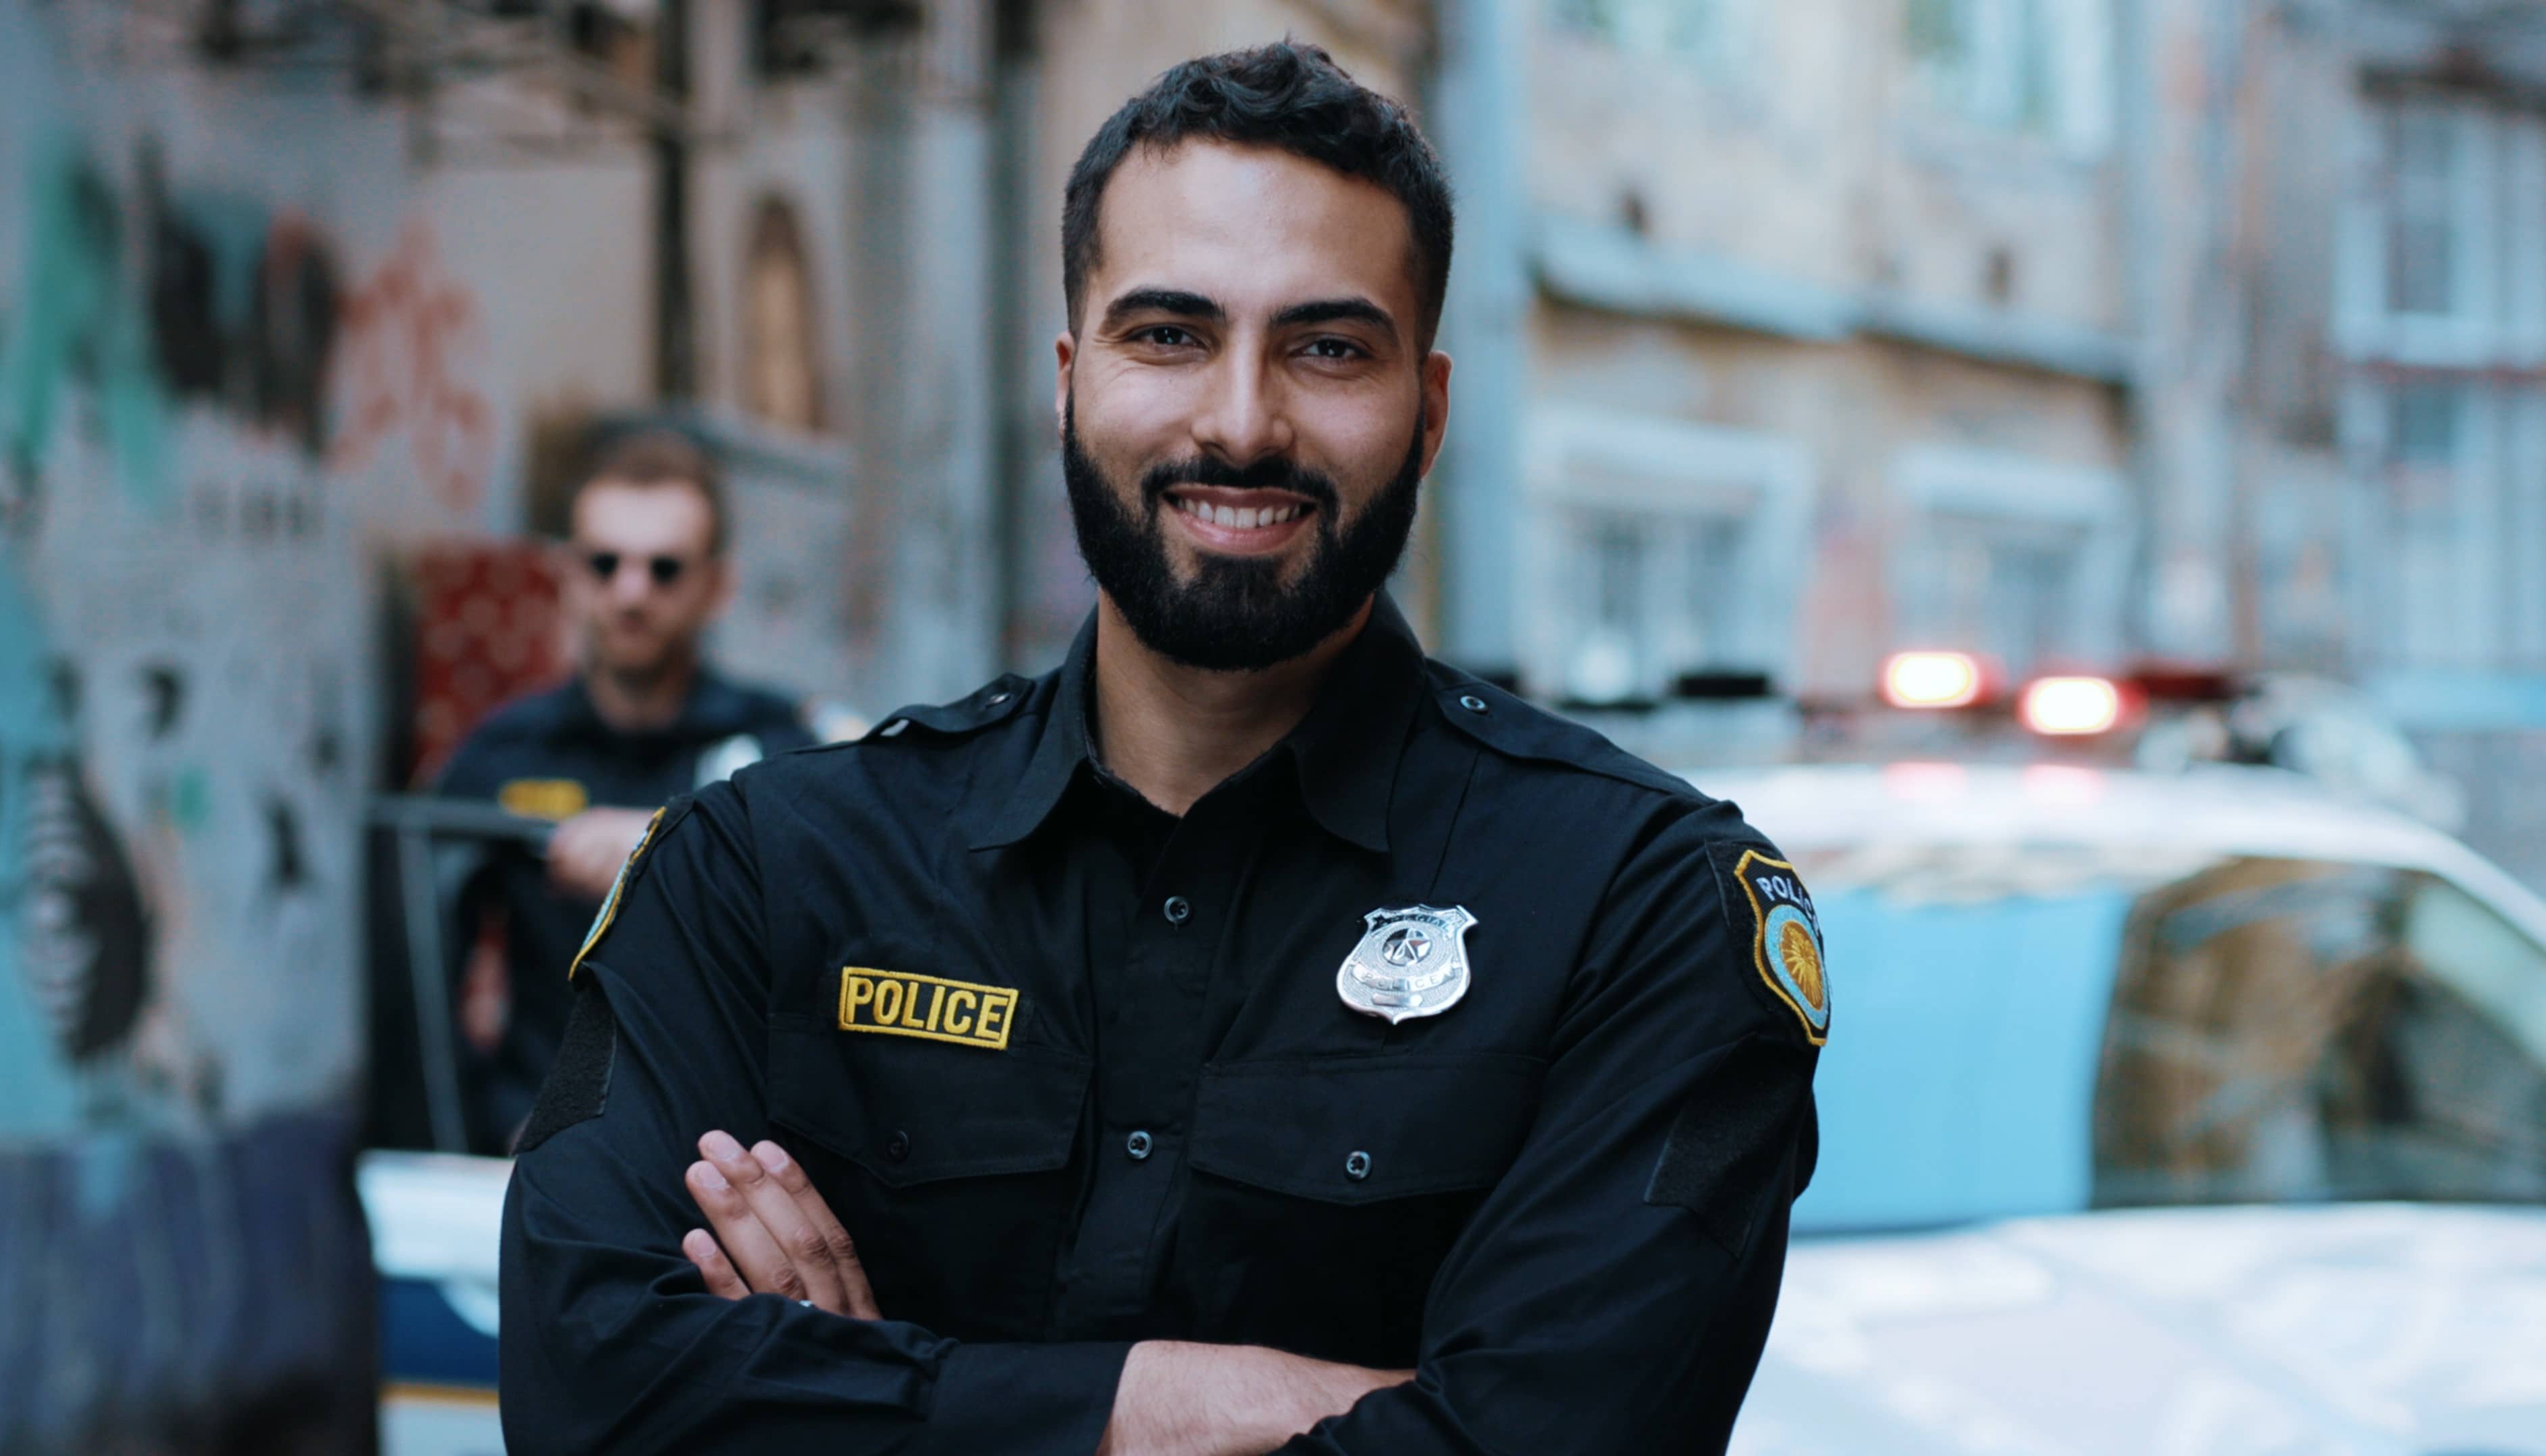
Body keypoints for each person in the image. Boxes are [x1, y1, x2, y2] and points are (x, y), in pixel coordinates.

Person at [500, 44, 1827, 1454]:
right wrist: (1188, 1404)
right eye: (1169, 336)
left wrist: (869, 1391)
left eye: (1327, 347)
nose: (1241, 422)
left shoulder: (1644, 908)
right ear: (1070, 381)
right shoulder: (760, 874)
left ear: (1429, 412)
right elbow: (592, 1390)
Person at [434, 429, 814, 1153]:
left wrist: (666, 853)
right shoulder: (504, 755)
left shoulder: (782, 753)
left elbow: (841, 932)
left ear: (717, 586)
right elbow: (417, 973)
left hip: (731, 1168)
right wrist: (488, 1121)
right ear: (567, 574)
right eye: (604, 564)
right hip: (541, 1157)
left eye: (664, 568)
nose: (630, 592)